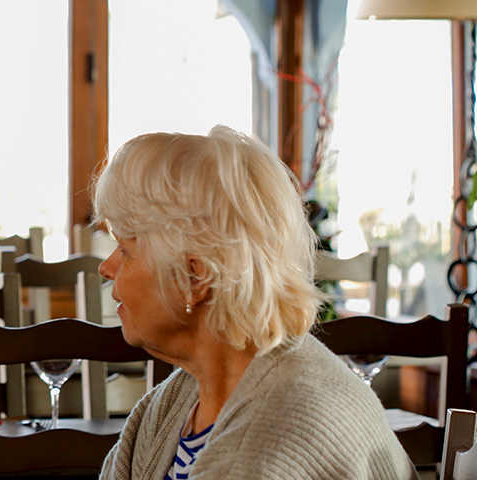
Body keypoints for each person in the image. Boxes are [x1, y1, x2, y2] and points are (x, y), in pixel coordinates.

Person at [94, 126, 416, 479]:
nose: (105, 268)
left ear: (194, 278)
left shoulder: (269, 447)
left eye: (125, 250)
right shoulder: (179, 399)